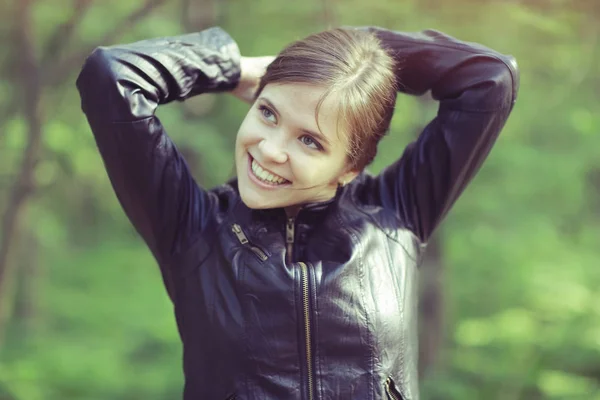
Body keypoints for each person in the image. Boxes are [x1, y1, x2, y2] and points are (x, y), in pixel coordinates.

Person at [76, 24, 519, 400]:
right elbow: (111, 76)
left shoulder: (397, 214)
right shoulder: (192, 228)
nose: (269, 150)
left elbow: (490, 79)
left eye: (310, 141)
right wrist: (237, 70)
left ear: (351, 167)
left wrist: (357, 50)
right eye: (267, 112)